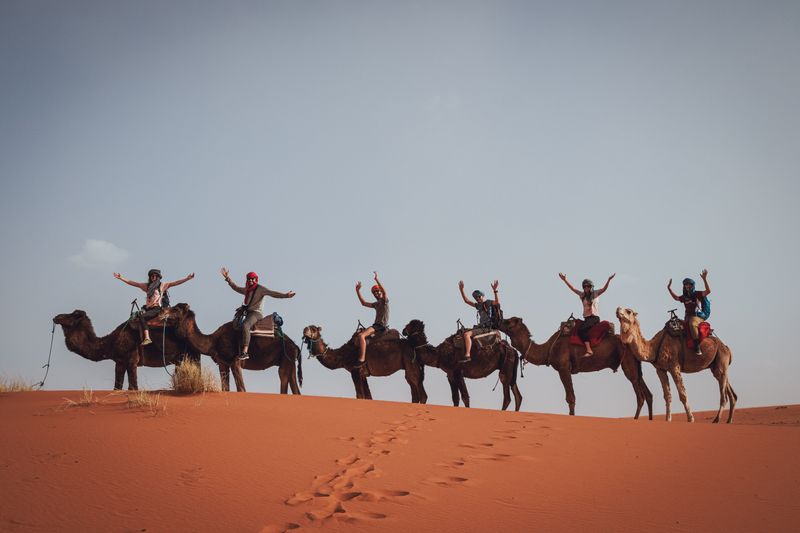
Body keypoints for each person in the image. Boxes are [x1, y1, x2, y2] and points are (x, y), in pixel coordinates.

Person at [220, 267, 295, 360]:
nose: (251, 280)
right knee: (235, 325)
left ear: (256, 279)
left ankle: (245, 352)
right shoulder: (247, 290)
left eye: (252, 279)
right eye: (249, 279)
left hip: (256, 314)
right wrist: (228, 278)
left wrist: (285, 295)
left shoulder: (260, 289)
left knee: (245, 326)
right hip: (248, 313)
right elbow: (236, 288)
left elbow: (273, 293)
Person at [113, 269, 194, 345]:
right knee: (134, 318)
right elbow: (134, 283)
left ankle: (147, 338)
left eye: (155, 276)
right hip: (147, 309)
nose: (154, 277)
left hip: (156, 309)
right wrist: (121, 278)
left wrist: (187, 278)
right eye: (152, 276)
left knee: (142, 317)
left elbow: (175, 283)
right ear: (150, 277)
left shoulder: (162, 285)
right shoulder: (146, 286)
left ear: (158, 277)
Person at [558, 272, 615, 357]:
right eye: (584, 286)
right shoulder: (582, 295)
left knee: (581, 330)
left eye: (588, 286)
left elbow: (604, 289)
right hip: (587, 319)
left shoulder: (596, 293)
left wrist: (609, 280)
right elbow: (573, 289)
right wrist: (565, 280)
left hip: (594, 318)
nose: (586, 288)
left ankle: (589, 350)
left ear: (591, 287)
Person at [668, 269, 711, 355]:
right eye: (686, 285)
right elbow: (676, 298)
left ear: (692, 286)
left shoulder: (697, 294)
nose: (687, 286)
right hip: (688, 317)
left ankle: (697, 345)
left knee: (692, 323)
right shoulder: (684, 297)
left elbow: (708, 291)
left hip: (697, 316)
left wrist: (704, 279)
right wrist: (669, 288)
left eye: (689, 285)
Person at [457, 279, 501, 363]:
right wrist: (461, 290)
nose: (477, 298)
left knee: (466, 334)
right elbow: (466, 301)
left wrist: (495, 290)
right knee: (462, 333)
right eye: (476, 298)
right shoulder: (478, 306)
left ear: (482, 296)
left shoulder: (488, 302)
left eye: (479, 297)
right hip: (480, 327)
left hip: (486, 328)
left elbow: (497, 302)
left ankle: (467, 355)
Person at [354, 271, 389, 367]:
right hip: (376, 326)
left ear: (380, 292)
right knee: (359, 336)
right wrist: (357, 291)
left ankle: (361, 359)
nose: (376, 293)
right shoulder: (376, 304)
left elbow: (384, 292)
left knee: (361, 336)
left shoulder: (384, 301)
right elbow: (363, 303)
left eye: (377, 291)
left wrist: (376, 279)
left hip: (379, 326)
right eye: (374, 292)